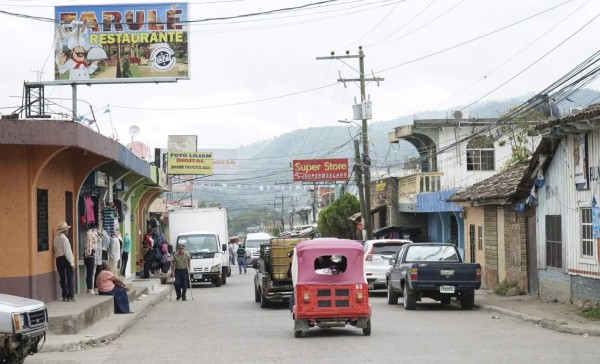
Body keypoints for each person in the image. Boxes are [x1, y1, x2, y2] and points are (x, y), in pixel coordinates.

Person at [53, 222, 75, 302]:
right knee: (69, 277)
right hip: (66, 259)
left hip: (58, 259)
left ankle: (64, 295)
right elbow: (68, 252)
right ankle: (70, 295)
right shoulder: (65, 239)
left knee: (62, 278)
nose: (68, 231)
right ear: (65, 230)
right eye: (67, 230)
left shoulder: (55, 238)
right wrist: (72, 264)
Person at [83, 229, 97, 294]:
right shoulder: (89, 234)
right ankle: (90, 289)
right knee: (90, 273)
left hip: (90, 255)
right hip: (90, 256)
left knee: (90, 273)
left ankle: (90, 288)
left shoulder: (90, 234)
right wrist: (89, 253)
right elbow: (89, 245)